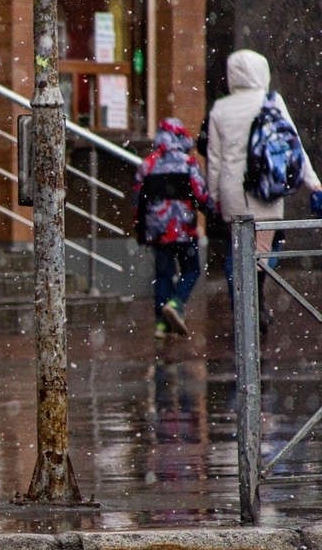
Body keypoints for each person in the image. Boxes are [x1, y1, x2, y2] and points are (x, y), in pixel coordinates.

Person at [206, 49, 322, 334]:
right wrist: (314, 183)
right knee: (261, 251)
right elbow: (293, 145)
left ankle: (242, 307)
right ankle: (254, 307)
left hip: (232, 189)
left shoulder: (220, 109)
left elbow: (214, 159)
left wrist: (212, 194)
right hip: (265, 187)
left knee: (238, 251)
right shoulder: (271, 101)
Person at [132, 117, 215, 339]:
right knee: (192, 269)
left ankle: (161, 324)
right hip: (184, 230)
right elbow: (201, 194)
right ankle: (176, 304)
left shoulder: (148, 164)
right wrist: (212, 211)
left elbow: (137, 201)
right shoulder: (188, 163)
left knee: (163, 274)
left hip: (158, 231)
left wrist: (141, 230)